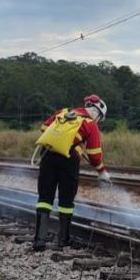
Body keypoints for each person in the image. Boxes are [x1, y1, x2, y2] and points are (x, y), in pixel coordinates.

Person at [30, 94, 112, 251]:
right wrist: (102, 171)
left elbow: (44, 129)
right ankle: (63, 240)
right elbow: (94, 154)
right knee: (66, 200)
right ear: (97, 112)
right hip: (69, 160)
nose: (98, 122)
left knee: (44, 198)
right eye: (99, 119)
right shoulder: (90, 123)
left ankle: (39, 240)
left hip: (47, 155)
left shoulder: (63, 112)